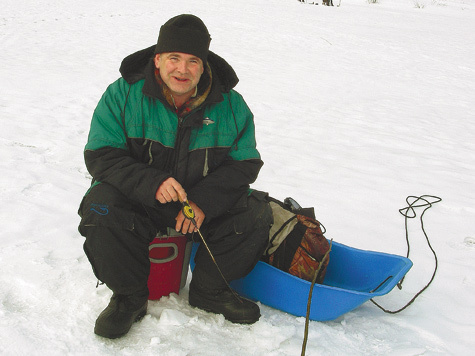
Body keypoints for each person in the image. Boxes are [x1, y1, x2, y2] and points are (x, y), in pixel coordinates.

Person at [78, 14, 273, 339]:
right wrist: (151, 183)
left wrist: (204, 202)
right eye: (174, 58)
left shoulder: (231, 106)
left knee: (256, 213)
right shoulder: (123, 95)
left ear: (204, 63)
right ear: (158, 59)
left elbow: (245, 163)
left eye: (192, 61)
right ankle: (129, 297)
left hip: (198, 207)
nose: (182, 70)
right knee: (101, 207)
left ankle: (209, 292)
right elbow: (101, 155)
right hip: (140, 200)